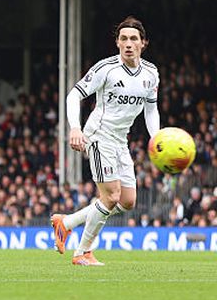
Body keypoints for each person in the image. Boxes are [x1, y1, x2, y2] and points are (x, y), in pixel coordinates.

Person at [51, 16, 159, 266]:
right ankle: (82, 253)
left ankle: (65, 223)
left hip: (121, 140)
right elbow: (72, 96)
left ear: (144, 43)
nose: (128, 43)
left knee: (128, 202)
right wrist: (75, 128)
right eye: (124, 39)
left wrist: (156, 138)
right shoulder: (105, 69)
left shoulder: (151, 74)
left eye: (134, 39)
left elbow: (151, 110)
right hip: (98, 136)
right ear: (117, 43)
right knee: (110, 197)